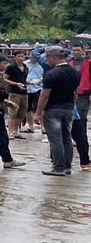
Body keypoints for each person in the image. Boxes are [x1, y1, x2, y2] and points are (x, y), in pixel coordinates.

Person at [34, 46, 78, 176]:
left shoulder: (51, 74)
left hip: (53, 110)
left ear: (53, 58)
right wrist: (72, 105)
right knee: (66, 138)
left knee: (55, 140)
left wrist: (37, 113)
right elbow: (76, 92)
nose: (47, 61)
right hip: (68, 108)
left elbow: (45, 95)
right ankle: (67, 166)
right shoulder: (75, 72)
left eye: (47, 58)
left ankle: (58, 168)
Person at [69, 42, 90, 171]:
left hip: (83, 94)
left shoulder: (88, 63)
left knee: (80, 120)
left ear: (83, 51)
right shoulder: (68, 63)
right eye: (74, 50)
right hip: (70, 95)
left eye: (78, 50)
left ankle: (84, 157)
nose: (76, 52)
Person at [5, 51, 30, 139]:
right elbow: (4, 79)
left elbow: (23, 79)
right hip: (14, 92)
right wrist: (16, 84)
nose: (21, 58)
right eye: (18, 56)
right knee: (12, 112)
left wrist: (30, 82)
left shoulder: (26, 67)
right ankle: (11, 132)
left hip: (24, 92)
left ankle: (16, 131)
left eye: (22, 56)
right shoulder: (11, 67)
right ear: (15, 57)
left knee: (21, 113)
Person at [24, 49, 46, 133]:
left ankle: (43, 127)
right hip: (27, 87)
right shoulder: (25, 64)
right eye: (31, 54)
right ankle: (30, 126)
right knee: (27, 108)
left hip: (39, 87)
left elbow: (46, 74)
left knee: (40, 107)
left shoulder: (43, 64)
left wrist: (41, 80)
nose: (33, 56)